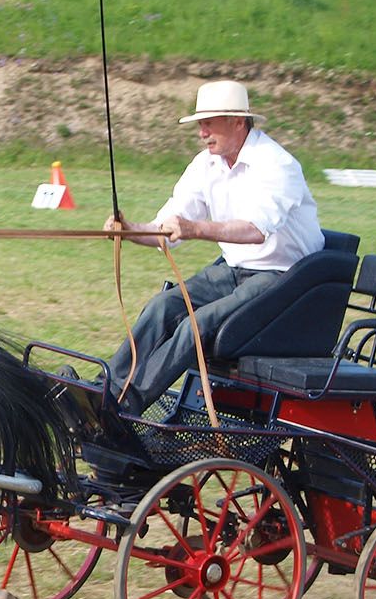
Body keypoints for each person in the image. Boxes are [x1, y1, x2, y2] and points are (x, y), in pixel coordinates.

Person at [104, 79, 324, 415]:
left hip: (285, 279)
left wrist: (195, 229)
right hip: (232, 270)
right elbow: (167, 229)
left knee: (196, 325)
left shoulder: (277, 165)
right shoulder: (205, 165)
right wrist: (129, 230)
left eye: (208, 123)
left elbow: (255, 230)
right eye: (200, 124)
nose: (202, 133)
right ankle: (103, 390)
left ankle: (125, 404)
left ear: (237, 122)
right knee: (162, 306)